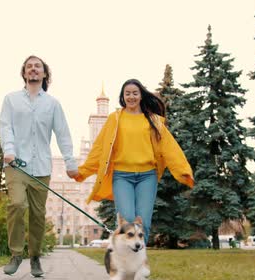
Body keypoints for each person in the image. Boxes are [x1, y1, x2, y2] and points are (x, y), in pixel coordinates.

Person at [74, 78, 194, 244]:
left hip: (147, 177)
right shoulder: (114, 119)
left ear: (141, 96)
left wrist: (183, 170)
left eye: (135, 93)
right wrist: (82, 171)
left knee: (143, 222)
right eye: (127, 93)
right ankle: (127, 262)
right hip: (122, 176)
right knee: (127, 221)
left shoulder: (153, 120)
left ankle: (138, 263)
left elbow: (169, 147)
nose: (131, 97)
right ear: (123, 97)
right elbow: (99, 149)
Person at [0, 55, 78, 277]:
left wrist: (70, 163)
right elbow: (6, 127)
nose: (33, 70)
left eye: (38, 67)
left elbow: (63, 134)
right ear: (24, 73)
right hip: (16, 164)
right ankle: (16, 254)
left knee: (37, 214)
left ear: (44, 74)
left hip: (42, 167)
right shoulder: (11, 100)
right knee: (16, 204)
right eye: (29, 67)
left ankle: (34, 257)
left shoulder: (52, 104)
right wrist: (9, 150)